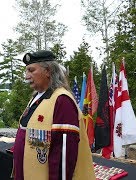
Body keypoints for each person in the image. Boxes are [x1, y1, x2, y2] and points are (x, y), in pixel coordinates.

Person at [12, 50, 95, 180]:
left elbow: (64, 155)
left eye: (31, 70)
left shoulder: (62, 101)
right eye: (26, 71)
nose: (26, 76)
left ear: (48, 71)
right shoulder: (37, 98)